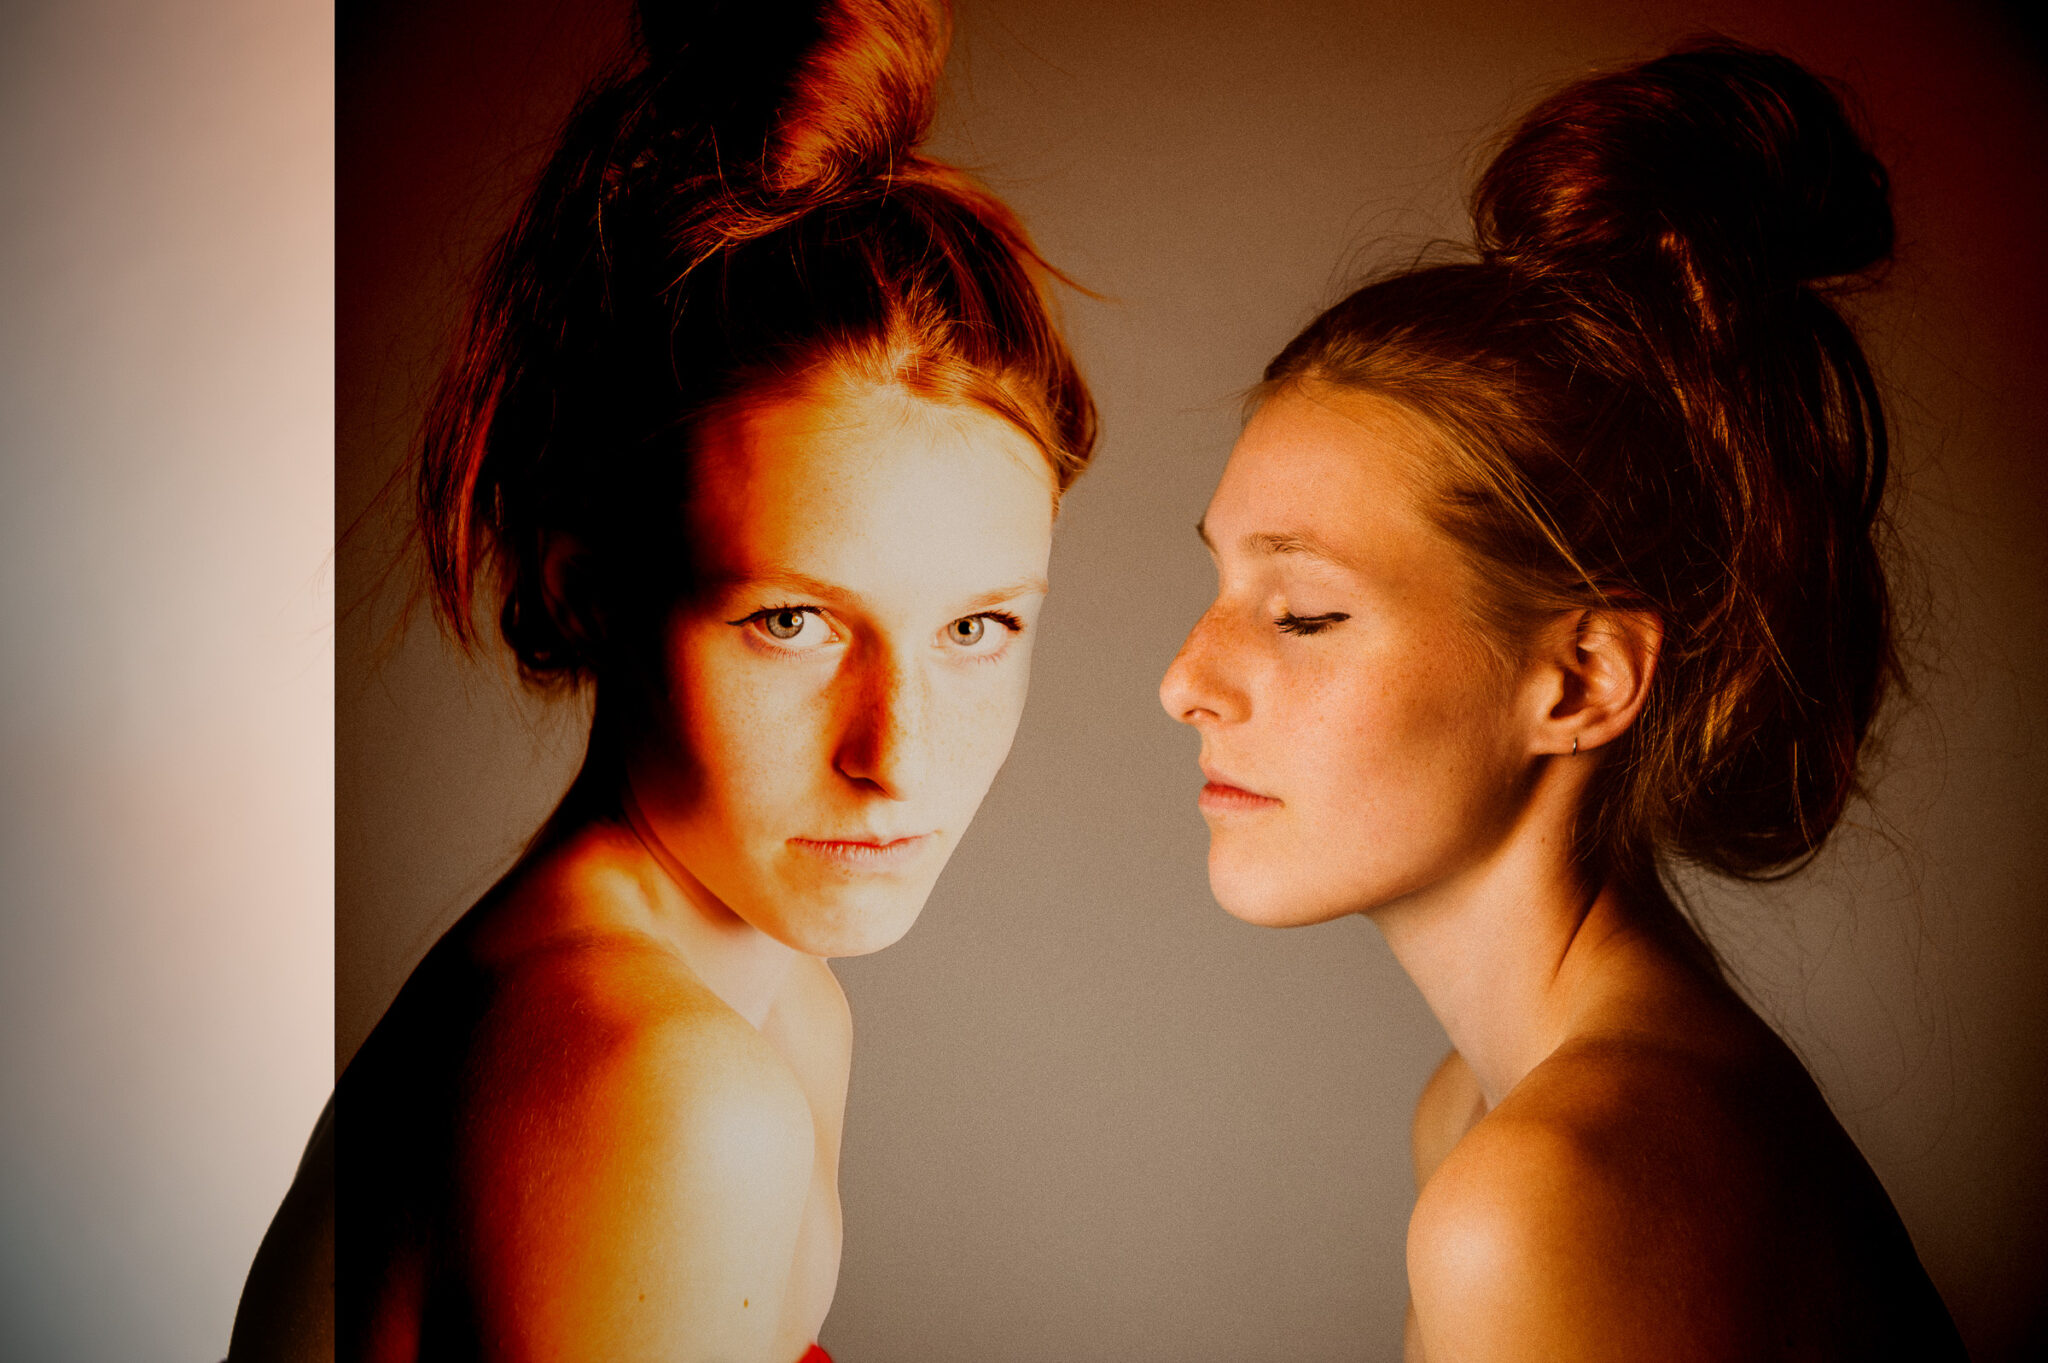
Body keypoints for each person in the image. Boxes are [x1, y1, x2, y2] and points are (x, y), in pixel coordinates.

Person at [229, 1, 1094, 1359]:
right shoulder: (666, 1089)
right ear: (590, 588)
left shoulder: (777, 998)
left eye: (978, 628)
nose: (899, 758)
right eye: (793, 621)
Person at [1159, 41, 1966, 1361]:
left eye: (1301, 613)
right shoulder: (1485, 1110)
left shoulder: (1554, 1189)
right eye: (1219, 586)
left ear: (1583, 678)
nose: (1185, 681)